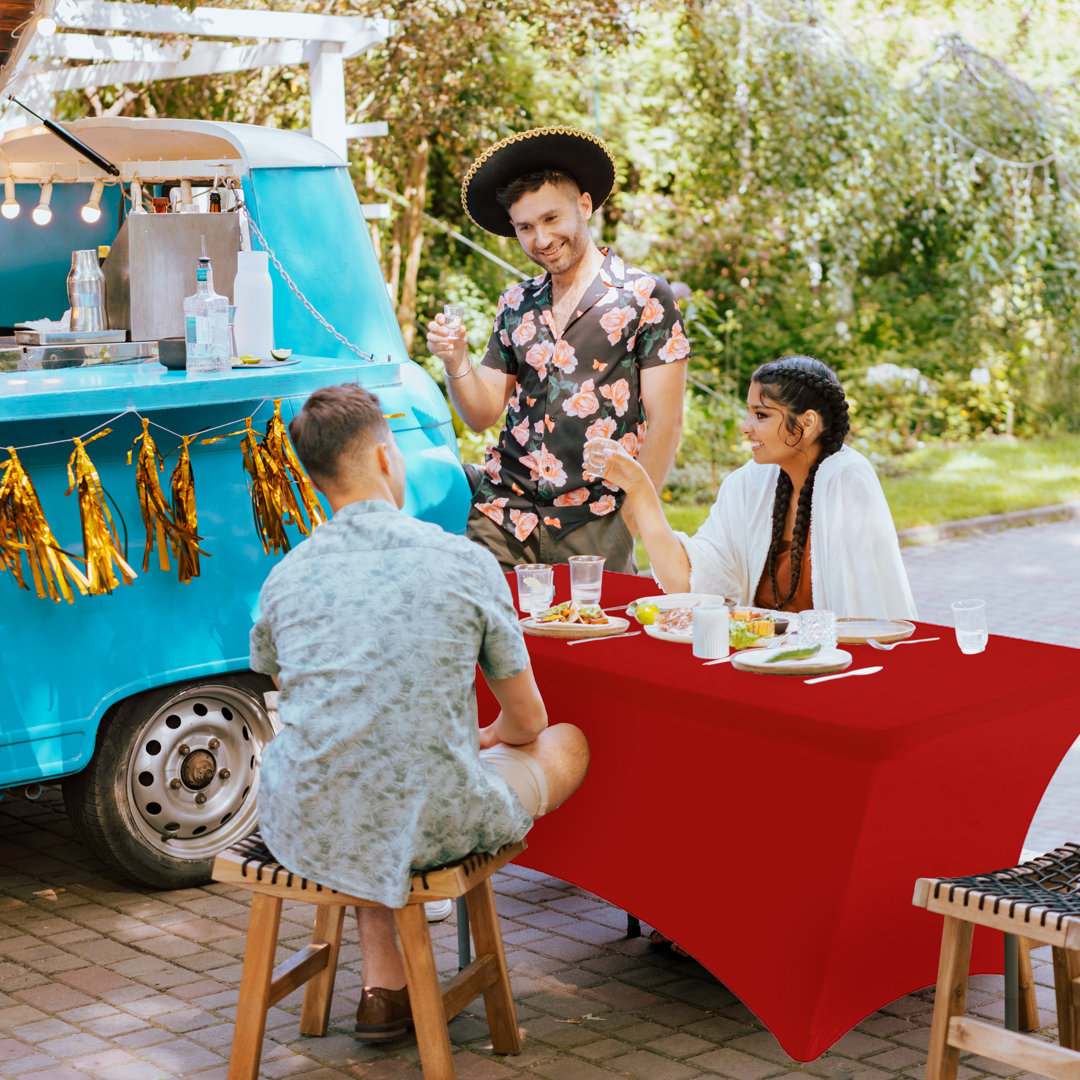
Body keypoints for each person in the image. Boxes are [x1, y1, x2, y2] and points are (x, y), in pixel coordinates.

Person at [249, 383, 589, 1042]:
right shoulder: (463, 562)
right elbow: (528, 722)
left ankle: (385, 990)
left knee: (375, 774)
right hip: (429, 819)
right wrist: (486, 737)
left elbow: (283, 677)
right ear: (384, 458)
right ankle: (402, 987)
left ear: (314, 479)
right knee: (566, 742)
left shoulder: (284, 577)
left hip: (305, 816)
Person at [426, 125, 689, 573]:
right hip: (502, 517)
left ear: (584, 206)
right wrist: (456, 363)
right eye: (525, 227)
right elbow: (481, 414)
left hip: (597, 518)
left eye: (551, 219)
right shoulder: (515, 303)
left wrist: (631, 519)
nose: (541, 239)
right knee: (488, 639)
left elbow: (667, 421)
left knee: (589, 643)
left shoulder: (644, 296)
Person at [586, 354, 917, 618]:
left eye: (761, 415)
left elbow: (866, 615)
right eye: (749, 413)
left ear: (808, 422)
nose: (746, 427)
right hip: (756, 660)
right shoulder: (749, 483)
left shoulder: (846, 477)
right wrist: (640, 489)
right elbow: (688, 581)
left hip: (827, 669)